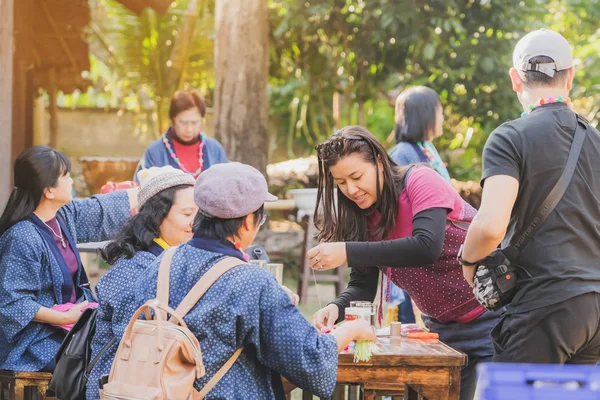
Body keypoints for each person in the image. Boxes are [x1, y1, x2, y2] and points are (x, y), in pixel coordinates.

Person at [127, 162, 375, 399]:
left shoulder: (161, 263)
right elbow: (311, 359)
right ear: (247, 221)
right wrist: (353, 329)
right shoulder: (252, 282)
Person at [309, 126, 501, 400]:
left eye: (356, 176)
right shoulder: (361, 216)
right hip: (440, 333)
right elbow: (363, 286)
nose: (351, 189)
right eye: (341, 182)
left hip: (493, 321)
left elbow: (426, 247)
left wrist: (347, 251)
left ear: (378, 161)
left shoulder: (420, 181)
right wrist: (334, 308)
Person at [461, 29, 600, 364]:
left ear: (515, 78)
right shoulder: (596, 141)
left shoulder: (509, 138)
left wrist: (467, 262)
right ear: (570, 78)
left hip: (543, 306)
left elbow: (491, 225)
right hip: (594, 308)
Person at [0, 146, 138, 372]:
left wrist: (156, 189)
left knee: (122, 347)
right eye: (66, 176)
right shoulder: (22, 236)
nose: (72, 181)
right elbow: (13, 303)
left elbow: (100, 210)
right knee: (100, 362)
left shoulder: (63, 216)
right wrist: (62, 318)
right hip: (35, 342)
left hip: (68, 327)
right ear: (49, 191)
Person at [86, 166, 197, 399]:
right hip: (123, 389)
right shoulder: (133, 271)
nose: (195, 224)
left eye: (200, 215)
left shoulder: (171, 259)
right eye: (187, 215)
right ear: (157, 218)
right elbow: (141, 343)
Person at [388, 85, 452, 323]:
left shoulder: (427, 151)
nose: (442, 117)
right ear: (424, 114)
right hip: (414, 254)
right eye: (439, 110)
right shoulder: (403, 155)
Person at [134, 89, 228, 181]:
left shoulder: (215, 149)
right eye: (182, 123)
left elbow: (227, 184)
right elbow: (140, 187)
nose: (189, 129)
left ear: (202, 120)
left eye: (194, 122)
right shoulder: (155, 151)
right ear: (173, 120)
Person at [389, 85, 450, 181]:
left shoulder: (426, 147)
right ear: (424, 116)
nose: (442, 118)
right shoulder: (401, 155)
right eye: (439, 112)